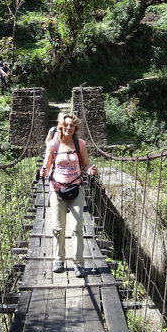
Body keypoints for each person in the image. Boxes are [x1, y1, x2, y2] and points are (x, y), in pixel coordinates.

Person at [39, 113, 97, 278]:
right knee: (58, 228)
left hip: (76, 189)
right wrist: (43, 171)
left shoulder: (80, 144)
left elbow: (86, 165)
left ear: (75, 127)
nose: (69, 128)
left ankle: (79, 264)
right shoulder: (53, 145)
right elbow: (47, 165)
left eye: (72, 125)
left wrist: (90, 170)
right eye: (66, 125)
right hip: (57, 190)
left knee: (77, 228)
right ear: (61, 126)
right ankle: (59, 260)